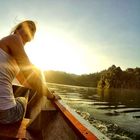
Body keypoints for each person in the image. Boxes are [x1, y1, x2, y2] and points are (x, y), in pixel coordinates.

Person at [0, 20, 56, 124]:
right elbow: (31, 75)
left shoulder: (6, 44)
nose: (29, 30)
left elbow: (25, 82)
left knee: (31, 87)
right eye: (26, 27)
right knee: (23, 99)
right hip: (5, 114)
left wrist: (43, 88)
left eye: (32, 30)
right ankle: (31, 125)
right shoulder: (14, 38)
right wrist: (50, 95)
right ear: (17, 29)